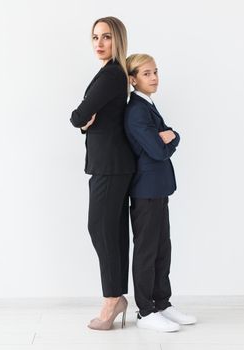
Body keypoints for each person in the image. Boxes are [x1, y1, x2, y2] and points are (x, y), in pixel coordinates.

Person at [70, 16, 136, 330]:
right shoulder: (110, 73)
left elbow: (78, 115)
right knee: (112, 231)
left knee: (101, 229)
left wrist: (83, 119)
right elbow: (86, 118)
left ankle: (112, 299)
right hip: (112, 164)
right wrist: (86, 121)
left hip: (110, 166)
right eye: (95, 37)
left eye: (106, 37)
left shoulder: (111, 75)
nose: (99, 43)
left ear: (118, 40)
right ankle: (116, 296)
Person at [124, 53, 197, 332]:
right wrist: (169, 139)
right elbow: (157, 149)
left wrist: (171, 136)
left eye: (155, 72)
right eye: (146, 73)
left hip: (157, 188)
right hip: (145, 190)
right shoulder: (137, 110)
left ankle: (162, 303)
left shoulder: (148, 105)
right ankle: (145, 311)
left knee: (161, 248)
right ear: (132, 79)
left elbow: (168, 137)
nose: (154, 78)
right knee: (146, 250)